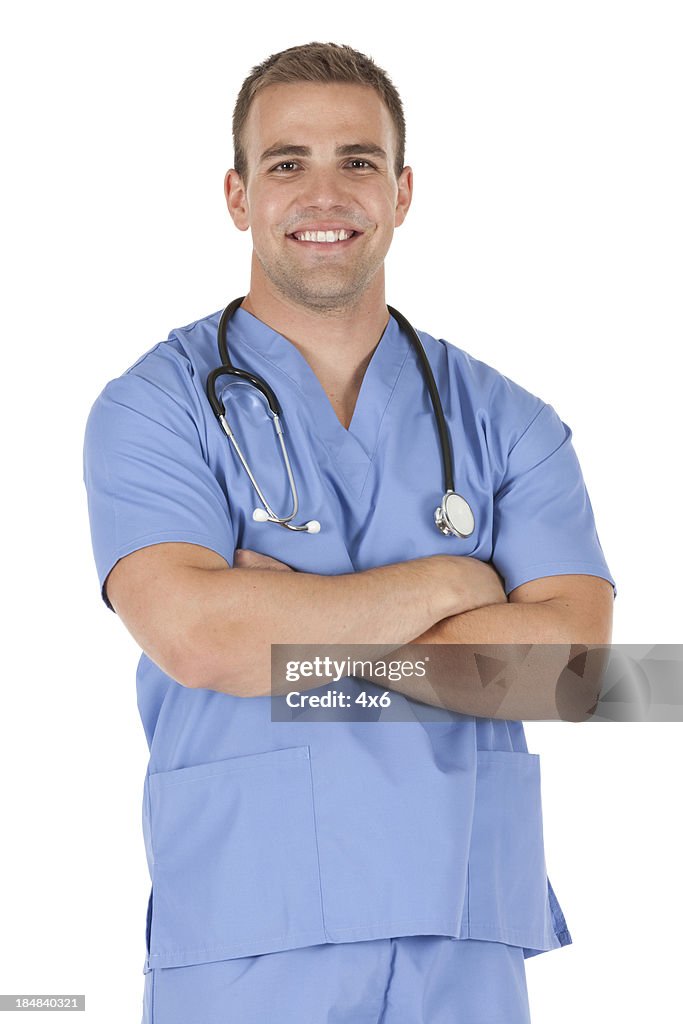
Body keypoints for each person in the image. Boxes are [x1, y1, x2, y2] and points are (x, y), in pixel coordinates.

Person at [83, 41, 615, 1024]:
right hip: (247, 935)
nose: (323, 192)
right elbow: (198, 638)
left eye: (356, 161)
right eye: (287, 163)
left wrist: (289, 642)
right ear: (237, 196)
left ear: (401, 191)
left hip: (462, 932)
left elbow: (573, 670)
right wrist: (456, 582)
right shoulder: (155, 407)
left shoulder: (506, 418)